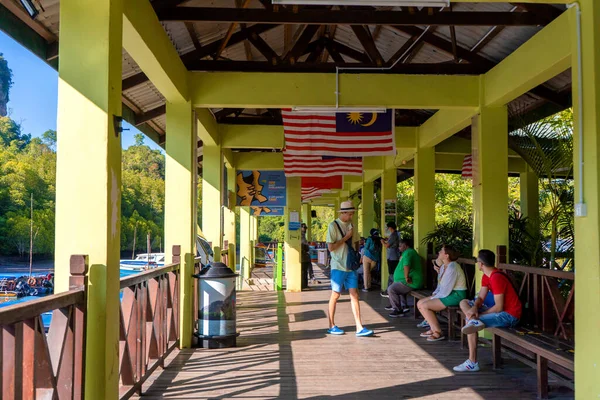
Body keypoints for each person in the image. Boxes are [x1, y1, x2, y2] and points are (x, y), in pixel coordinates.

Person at [454, 249, 522, 372]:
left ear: (481, 264)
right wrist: (474, 308)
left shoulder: (496, 278)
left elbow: (499, 307)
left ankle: (472, 362)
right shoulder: (487, 276)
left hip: (509, 315)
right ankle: (473, 320)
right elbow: (480, 297)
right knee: (463, 302)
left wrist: (478, 314)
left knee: (470, 324)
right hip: (497, 311)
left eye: (477, 261)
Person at [326, 200, 374, 337]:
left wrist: (357, 254)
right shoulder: (333, 226)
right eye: (350, 214)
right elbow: (331, 247)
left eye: (353, 214)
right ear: (343, 213)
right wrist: (346, 237)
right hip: (338, 266)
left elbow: (357, 242)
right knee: (335, 295)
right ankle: (331, 325)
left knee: (355, 295)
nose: (351, 216)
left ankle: (359, 326)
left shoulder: (352, 225)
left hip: (351, 266)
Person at [416, 245, 467, 342]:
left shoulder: (453, 267)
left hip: (456, 295)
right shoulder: (444, 266)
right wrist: (434, 294)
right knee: (420, 303)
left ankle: (438, 332)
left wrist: (434, 297)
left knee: (425, 305)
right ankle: (432, 328)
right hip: (447, 293)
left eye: (441, 251)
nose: (439, 252)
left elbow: (446, 288)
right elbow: (441, 285)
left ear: (446, 255)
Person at [385, 238, 423, 317]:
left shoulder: (408, 253)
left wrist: (406, 277)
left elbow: (406, 265)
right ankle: (403, 306)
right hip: (406, 281)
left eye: (400, 246)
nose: (399, 248)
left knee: (391, 289)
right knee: (396, 285)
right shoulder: (408, 252)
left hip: (412, 282)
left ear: (405, 246)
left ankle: (398, 310)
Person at [380, 221, 400, 298]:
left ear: (390, 228)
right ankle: (390, 289)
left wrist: (382, 242)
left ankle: (391, 290)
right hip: (394, 256)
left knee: (392, 273)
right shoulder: (396, 234)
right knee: (392, 273)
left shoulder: (393, 235)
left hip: (392, 257)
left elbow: (387, 245)